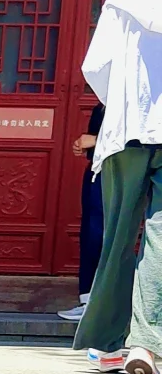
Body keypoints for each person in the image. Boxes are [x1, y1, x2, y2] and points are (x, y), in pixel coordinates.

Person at [75, 0, 162, 374]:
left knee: (118, 237)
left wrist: (125, 104)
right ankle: (148, 344)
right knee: (161, 236)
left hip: (130, 131)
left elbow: (97, 67)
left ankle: (109, 344)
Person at [57, 102, 105, 322]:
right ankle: (88, 301)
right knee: (90, 236)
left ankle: (105, 305)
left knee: (107, 237)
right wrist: (87, 145)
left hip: (125, 176)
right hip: (98, 171)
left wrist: (97, 140)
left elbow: (146, 137)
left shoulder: (141, 96)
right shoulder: (102, 104)